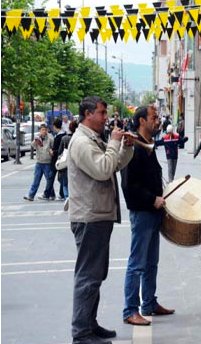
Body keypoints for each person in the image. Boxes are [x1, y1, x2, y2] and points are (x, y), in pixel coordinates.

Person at [68, 96, 134, 344]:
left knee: (96, 275)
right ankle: (81, 332)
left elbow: (114, 164)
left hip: (98, 215)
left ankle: (89, 324)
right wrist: (114, 144)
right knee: (88, 276)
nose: (106, 118)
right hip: (90, 217)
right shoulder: (83, 142)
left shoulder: (93, 139)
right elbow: (103, 169)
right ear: (87, 114)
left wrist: (125, 147)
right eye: (102, 113)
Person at [121, 105, 175, 327]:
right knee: (137, 263)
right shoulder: (132, 147)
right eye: (154, 118)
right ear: (142, 121)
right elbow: (128, 185)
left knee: (151, 262)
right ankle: (130, 310)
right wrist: (152, 199)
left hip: (153, 212)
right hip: (143, 212)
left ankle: (149, 303)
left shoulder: (146, 145)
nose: (158, 121)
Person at [23, 124, 54, 201]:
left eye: (45, 130)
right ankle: (31, 195)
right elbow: (32, 145)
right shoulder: (37, 137)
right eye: (42, 130)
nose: (44, 131)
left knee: (48, 180)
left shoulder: (50, 137)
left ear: (47, 130)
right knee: (36, 180)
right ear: (40, 130)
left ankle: (52, 194)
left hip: (47, 162)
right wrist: (36, 139)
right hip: (39, 162)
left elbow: (53, 146)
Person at [42, 118, 66, 201]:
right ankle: (61, 193)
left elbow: (60, 149)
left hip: (57, 160)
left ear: (55, 126)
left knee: (51, 177)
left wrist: (53, 152)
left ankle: (47, 194)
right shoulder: (63, 135)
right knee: (61, 178)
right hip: (62, 160)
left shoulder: (59, 136)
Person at [57, 120, 79, 199]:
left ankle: (67, 197)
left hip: (65, 162)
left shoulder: (64, 138)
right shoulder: (79, 138)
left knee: (65, 183)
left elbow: (60, 151)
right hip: (76, 162)